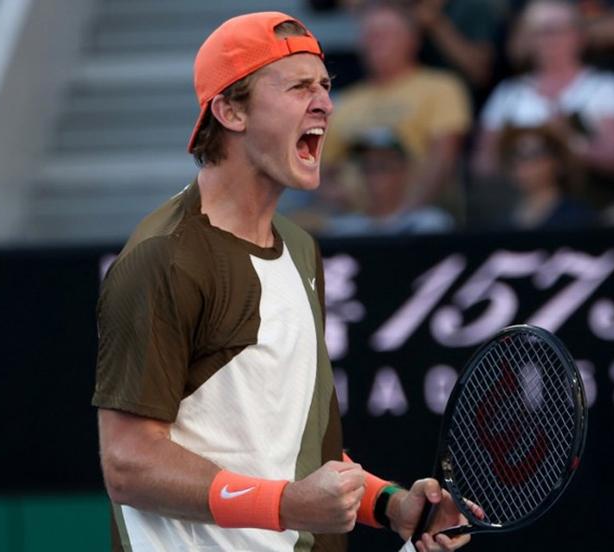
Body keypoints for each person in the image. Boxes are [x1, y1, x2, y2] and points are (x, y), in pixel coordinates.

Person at [91, 11, 480, 552]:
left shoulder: (301, 249)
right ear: (229, 110)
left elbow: (296, 450)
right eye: (299, 86)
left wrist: (390, 504)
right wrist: (285, 505)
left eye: (325, 86)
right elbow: (129, 464)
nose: (324, 102)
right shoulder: (162, 257)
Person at [320, 2, 473, 224]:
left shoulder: (441, 88)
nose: (376, 43)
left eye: (386, 35)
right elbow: (321, 171)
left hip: (419, 215)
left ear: (413, 41)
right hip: (357, 218)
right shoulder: (344, 102)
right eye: (370, 35)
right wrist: (334, 195)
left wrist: (402, 214)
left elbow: (443, 158)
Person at [471, 0, 614, 186]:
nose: (549, 40)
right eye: (540, 32)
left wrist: (569, 141)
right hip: (515, 198)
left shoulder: (605, 87)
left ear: (579, 35)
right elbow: (482, 164)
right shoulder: (509, 93)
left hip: (586, 198)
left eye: (556, 30)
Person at [323, 127, 456, 236]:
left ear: (404, 171)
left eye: (382, 166)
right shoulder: (344, 229)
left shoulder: (429, 224)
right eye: (367, 167)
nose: (373, 177)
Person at [497, 124, 596, 229]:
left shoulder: (578, 218)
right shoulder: (503, 221)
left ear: (559, 162)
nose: (523, 163)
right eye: (517, 155)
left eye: (534, 154)